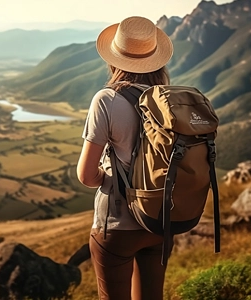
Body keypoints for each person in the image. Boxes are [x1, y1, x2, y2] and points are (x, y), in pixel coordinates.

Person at [76, 16, 174, 300]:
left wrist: (108, 178)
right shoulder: (169, 100)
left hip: (117, 225)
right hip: (160, 221)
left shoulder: (106, 100)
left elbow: (86, 175)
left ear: (115, 59)